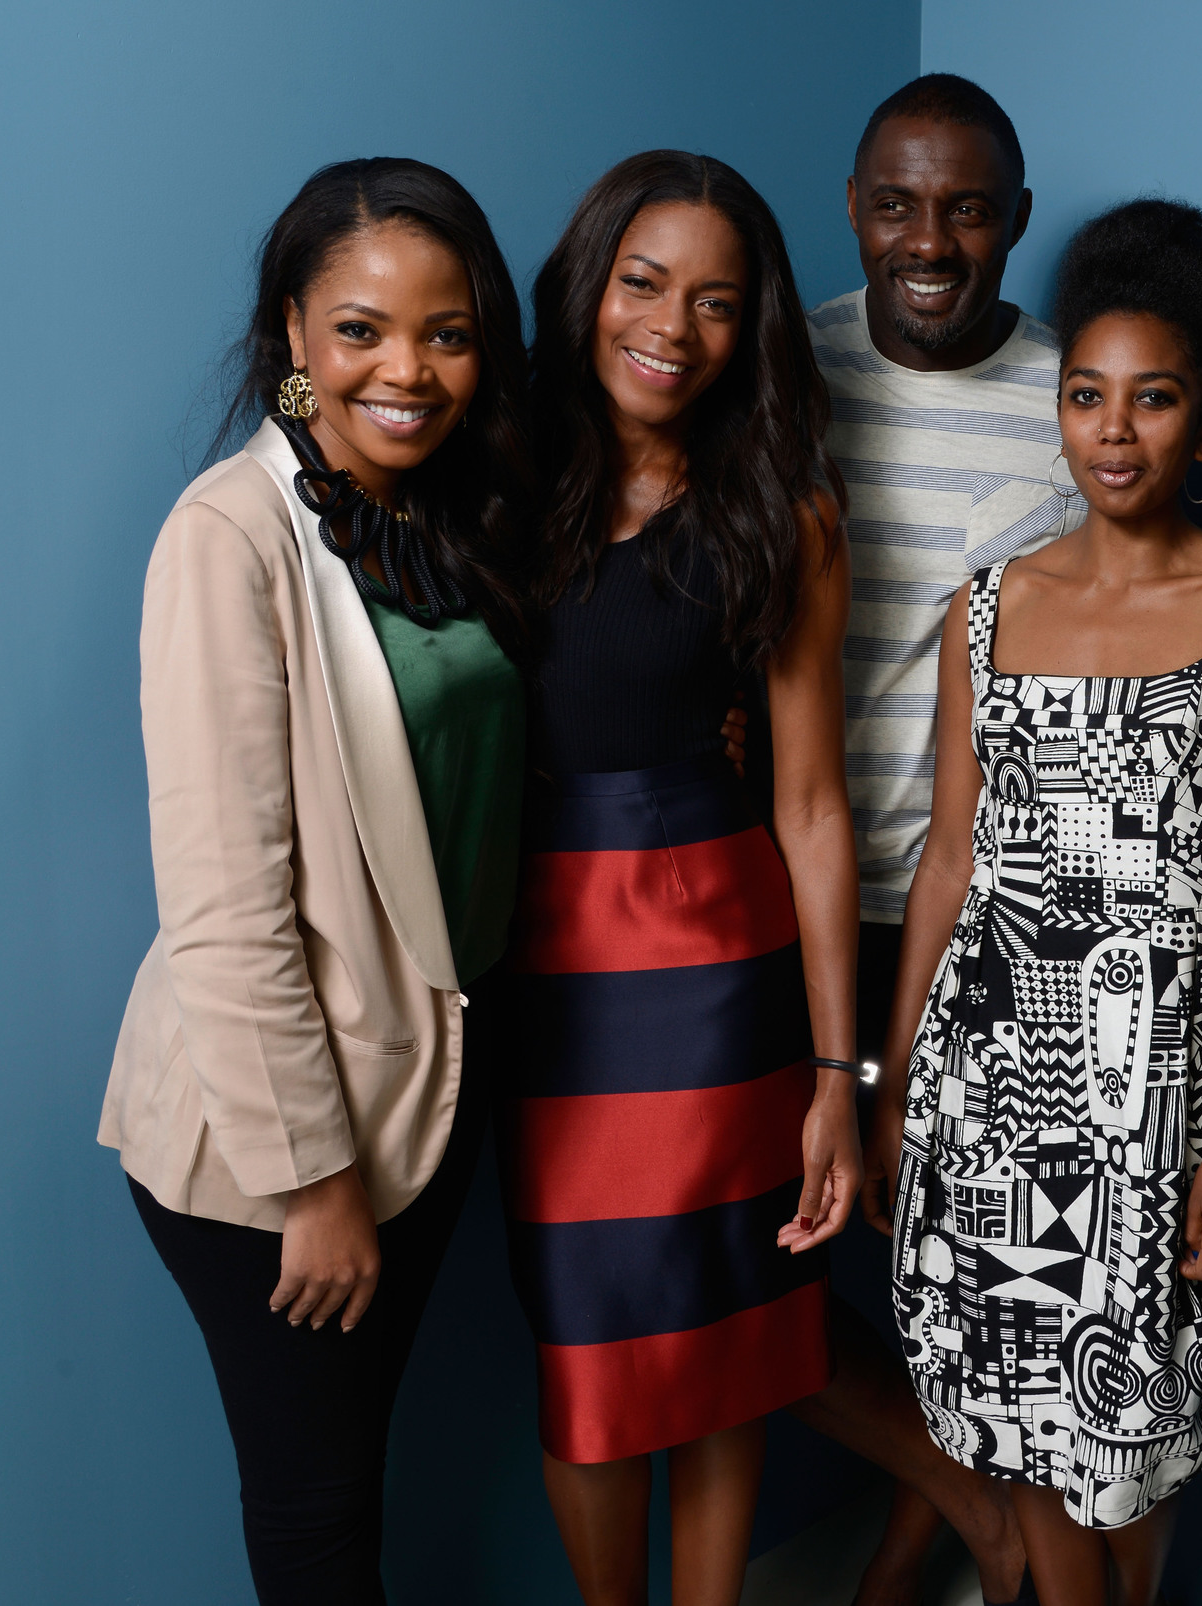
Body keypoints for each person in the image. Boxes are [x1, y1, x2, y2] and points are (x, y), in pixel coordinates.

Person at [814, 74, 1202, 1600]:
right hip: (987, 1074)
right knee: (1022, 1428)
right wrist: (890, 1092)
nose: (1110, 426)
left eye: (1151, 397)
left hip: (1159, 1087)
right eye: (1087, 396)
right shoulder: (992, 605)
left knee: (1129, 1437)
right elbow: (951, 861)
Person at [99, 158, 537, 1603]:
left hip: (421, 1089)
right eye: (360, 329)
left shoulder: (440, 512)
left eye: (449, 333)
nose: (406, 370)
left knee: (358, 1482)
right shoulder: (229, 538)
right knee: (317, 1517)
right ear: (293, 331)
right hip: (279, 1145)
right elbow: (225, 909)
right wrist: (316, 1183)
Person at [479, 149, 864, 1606]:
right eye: (645, 283)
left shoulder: (787, 513)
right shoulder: (492, 474)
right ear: (591, 284)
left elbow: (815, 806)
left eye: (716, 301)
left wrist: (839, 1071)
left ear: (750, 327)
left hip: (717, 969)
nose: (672, 327)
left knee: (719, 1337)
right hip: (540, 972)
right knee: (583, 1340)